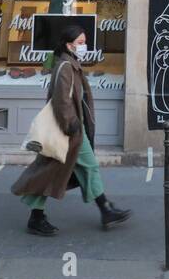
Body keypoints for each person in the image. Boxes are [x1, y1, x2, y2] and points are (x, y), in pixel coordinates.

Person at [11, 25, 132, 235]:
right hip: (70, 130)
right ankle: (104, 209)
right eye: (81, 43)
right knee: (89, 166)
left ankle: (38, 217)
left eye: (85, 42)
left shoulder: (70, 63)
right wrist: (72, 125)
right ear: (69, 45)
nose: (84, 47)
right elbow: (61, 100)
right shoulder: (66, 66)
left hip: (72, 127)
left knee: (52, 172)